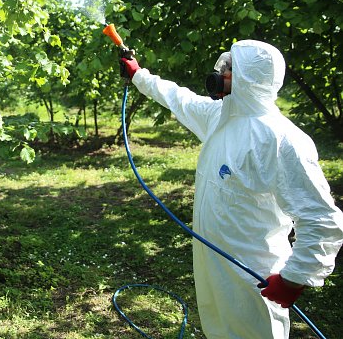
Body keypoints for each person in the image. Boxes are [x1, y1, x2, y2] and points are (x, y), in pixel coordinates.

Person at [119, 40, 343, 338]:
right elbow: (177, 97)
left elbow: (321, 219)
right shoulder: (219, 117)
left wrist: (293, 278)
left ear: (252, 76)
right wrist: (137, 74)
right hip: (214, 266)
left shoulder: (281, 140)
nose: (221, 73)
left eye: (230, 69)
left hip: (254, 277)